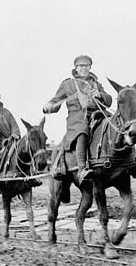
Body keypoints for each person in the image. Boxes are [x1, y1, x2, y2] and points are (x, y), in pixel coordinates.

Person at [42, 55, 113, 185]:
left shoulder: (96, 84)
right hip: (77, 117)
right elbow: (56, 100)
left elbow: (108, 100)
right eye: (81, 66)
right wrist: (49, 105)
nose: (83, 68)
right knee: (82, 128)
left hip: (98, 114)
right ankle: (82, 168)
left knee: (116, 124)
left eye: (86, 66)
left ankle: (131, 160)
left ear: (90, 67)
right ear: (76, 68)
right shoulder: (68, 84)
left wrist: (100, 95)